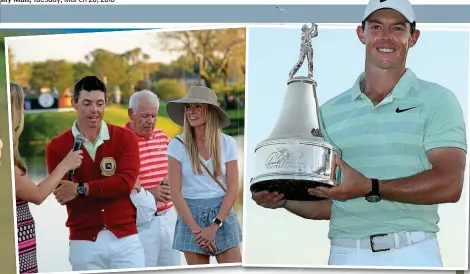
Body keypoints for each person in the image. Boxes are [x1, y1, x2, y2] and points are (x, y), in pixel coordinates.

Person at [251, 0, 466, 268]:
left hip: (412, 253)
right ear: (361, 33)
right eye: (376, 27)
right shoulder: (326, 113)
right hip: (345, 255)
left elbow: (450, 183)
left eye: (397, 28)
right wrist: (282, 200)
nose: (386, 37)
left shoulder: (438, 100)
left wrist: (372, 186)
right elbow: (331, 204)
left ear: (413, 38)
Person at [45, 76, 146, 271]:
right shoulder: (56, 147)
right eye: (87, 103)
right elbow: (64, 194)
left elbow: (125, 183)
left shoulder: (126, 138)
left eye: (100, 103)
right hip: (83, 243)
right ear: (74, 103)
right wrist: (108, 186)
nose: (95, 110)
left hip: (126, 241)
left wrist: (81, 188)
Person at [10, 82, 83, 274]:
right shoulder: (4, 158)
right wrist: (64, 165)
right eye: (21, 106)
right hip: (14, 244)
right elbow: (37, 195)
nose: (23, 111)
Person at [166, 86, 242, 264]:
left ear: (210, 111)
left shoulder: (227, 143)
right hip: (189, 217)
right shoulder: (176, 145)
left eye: (198, 106)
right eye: (188, 107)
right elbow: (175, 193)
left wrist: (215, 225)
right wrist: (197, 231)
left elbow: (232, 189)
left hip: (221, 214)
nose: (191, 112)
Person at [126, 89, 181, 267]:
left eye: (153, 115)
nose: (150, 121)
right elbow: (117, 185)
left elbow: (177, 168)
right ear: (130, 114)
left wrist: (170, 177)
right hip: (142, 222)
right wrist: (151, 193)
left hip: (169, 217)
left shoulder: (163, 136)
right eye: (144, 116)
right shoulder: (120, 142)